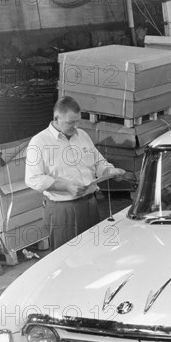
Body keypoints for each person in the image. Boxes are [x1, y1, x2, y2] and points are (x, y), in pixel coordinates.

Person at [25, 96, 126, 250]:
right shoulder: (39, 142)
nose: (76, 126)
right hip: (62, 209)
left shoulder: (82, 135)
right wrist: (65, 186)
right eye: (71, 122)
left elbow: (98, 162)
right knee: (65, 257)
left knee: (93, 252)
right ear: (56, 118)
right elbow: (32, 178)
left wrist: (110, 171)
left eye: (78, 121)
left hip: (90, 205)